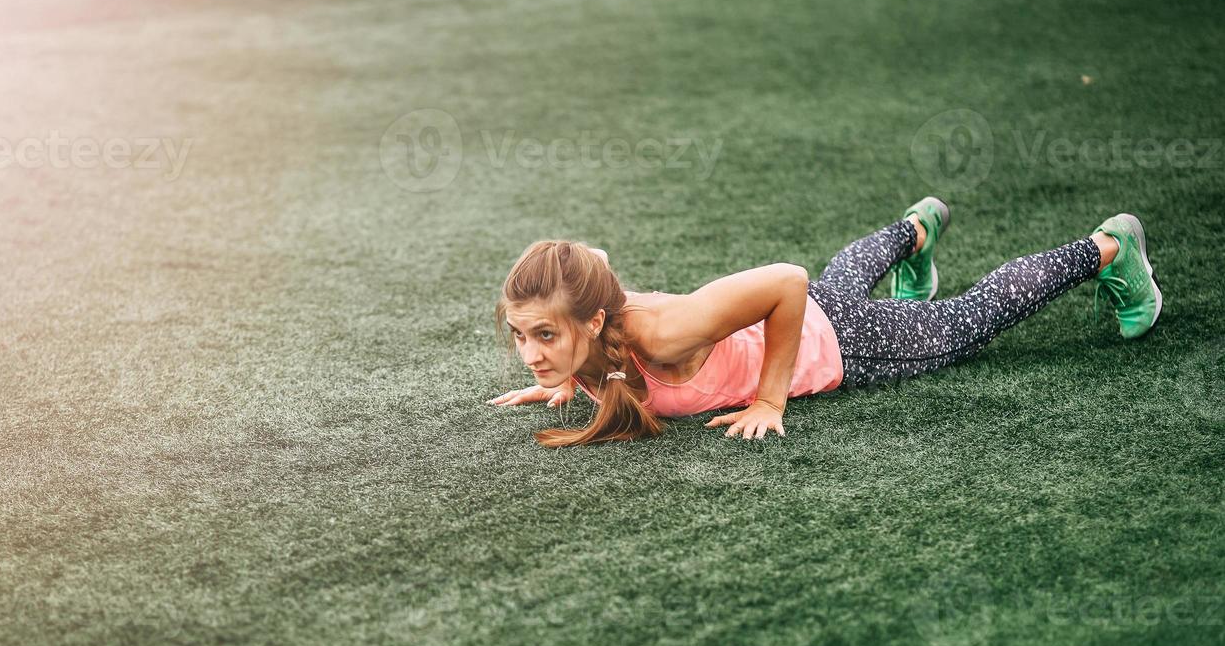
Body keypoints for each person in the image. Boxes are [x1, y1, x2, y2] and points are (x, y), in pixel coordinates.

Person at [488, 198, 1162, 447]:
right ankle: (915, 231)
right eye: (523, 336)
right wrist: (562, 375)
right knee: (843, 281)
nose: (530, 353)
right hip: (821, 314)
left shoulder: (663, 332)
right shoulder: (591, 329)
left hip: (842, 345)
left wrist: (771, 398)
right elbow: (592, 260)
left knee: (967, 321)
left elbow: (786, 281)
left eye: (545, 336)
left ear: (595, 316)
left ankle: (1108, 249)